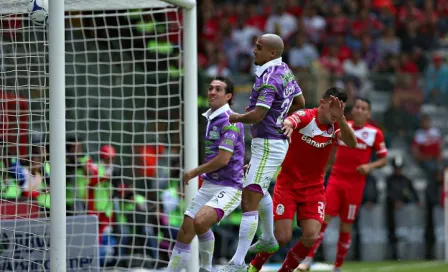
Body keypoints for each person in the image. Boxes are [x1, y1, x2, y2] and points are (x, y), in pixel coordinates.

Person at [220, 33, 305, 272]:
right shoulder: (285, 70)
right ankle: (268, 238)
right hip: (272, 143)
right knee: (258, 189)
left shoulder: (269, 79)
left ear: (272, 53)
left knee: (249, 199)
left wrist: (235, 116)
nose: (254, 51)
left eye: (259, 48)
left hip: (268, 143)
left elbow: (257, 115)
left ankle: (237, 263)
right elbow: (300, 101)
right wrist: (281, 117)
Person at [248, 87, 357, 272]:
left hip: (314, 189)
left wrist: (342, 118)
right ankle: (254, 266)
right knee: (282, 237)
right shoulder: (307, 116)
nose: (335, 111)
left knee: (311, 236)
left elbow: (352, 143)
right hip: (288, 186)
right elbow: (293, 120)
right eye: (333, 106)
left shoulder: (337, 124)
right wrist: (289, 125)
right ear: (322, 103)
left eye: (340, 108)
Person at [298, 98, 388, 272]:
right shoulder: (341, 128)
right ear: (352, 110)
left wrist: (370, 166)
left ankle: (337, 267)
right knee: (322, 220)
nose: (360, 110)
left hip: (355, 186)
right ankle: (307, 260)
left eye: (364, 108)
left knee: (346, 226)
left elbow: (384, 159)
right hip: (336, 180)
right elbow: (331, 153)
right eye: (357, 107)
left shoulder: (375, 133)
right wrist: (322, 171)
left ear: (369, 113)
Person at [167, 77, 245, 272]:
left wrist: (195, 172)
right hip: (210, 185)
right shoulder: (211, 117)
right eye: (210, 88)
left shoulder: (230, 120)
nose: (212, 92)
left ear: (228, 96)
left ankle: (206, 268)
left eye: (218, 89)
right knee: (185, 231)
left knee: (201, 222)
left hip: (229, 187)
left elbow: (223, 159)